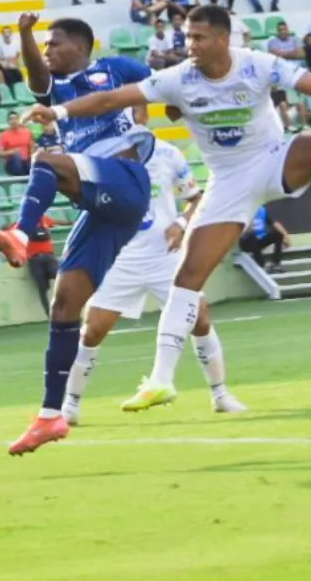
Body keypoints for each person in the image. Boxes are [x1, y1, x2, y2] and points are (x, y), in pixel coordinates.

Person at [26, 5, 311, 417]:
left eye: (198, 38)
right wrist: (59, 112)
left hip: (273, 159)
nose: (190, 45)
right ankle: (161, 380)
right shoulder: (178, 78)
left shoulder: (258, 64)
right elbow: (113, 98)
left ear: (223, 39)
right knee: (188, 279)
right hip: (228, 183)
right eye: (186, 37)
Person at [0, 11, 157, 455]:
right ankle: (51, 417)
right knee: (65, 305)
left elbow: (160, 85)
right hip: (100, 201)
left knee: (48, 157)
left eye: (54, 44)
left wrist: (145, 120)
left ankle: (20, 234)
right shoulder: (54, 90)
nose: (48, 52)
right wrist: (25, 34)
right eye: (46, 45)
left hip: (126, 180)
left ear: (80, 45)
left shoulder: (115, 69)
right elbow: (35, 77)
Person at [61, 141, 246, 424]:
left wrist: (182, 224)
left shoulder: (168, 153)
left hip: (165, 256)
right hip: (121, 258)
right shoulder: (102, 152)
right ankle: (70, 406)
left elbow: (196, 199)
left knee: (200, 319)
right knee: (92, 330)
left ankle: (220, 395)